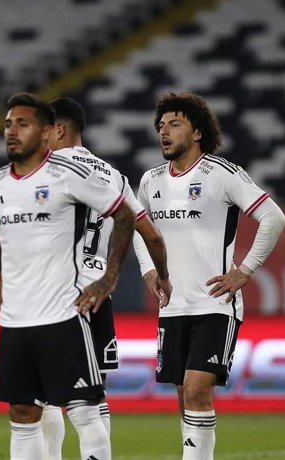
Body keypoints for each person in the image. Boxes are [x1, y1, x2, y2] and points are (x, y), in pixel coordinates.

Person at [0, 92, 136, 460]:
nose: (12, 132)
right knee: (24, 412)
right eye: (8, 124)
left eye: (24, 124)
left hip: (65, 309)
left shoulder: (67, 173)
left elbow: (126, 216)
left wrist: (111, 275)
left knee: (83, 406)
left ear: (51, 130)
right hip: (19, 314)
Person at [134, 92, 285, 459]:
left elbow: (274, 217)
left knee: (198, 389)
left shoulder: (221, 174)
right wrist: (149, 270)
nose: (164, 132)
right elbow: (141, 231)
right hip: (173, 307)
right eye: (160, 126)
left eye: (174, 124)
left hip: (215, 303)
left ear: (198, 131)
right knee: (183, 394)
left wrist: (244, 271)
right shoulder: (150, 181)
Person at [37, 97, 173, 460]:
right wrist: (161, 275)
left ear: (60, 130)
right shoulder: (114, 176)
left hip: (51, 293)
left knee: (45, 394)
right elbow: (152, 234)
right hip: (97, 294)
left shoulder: (43, 170)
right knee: (95, 396)